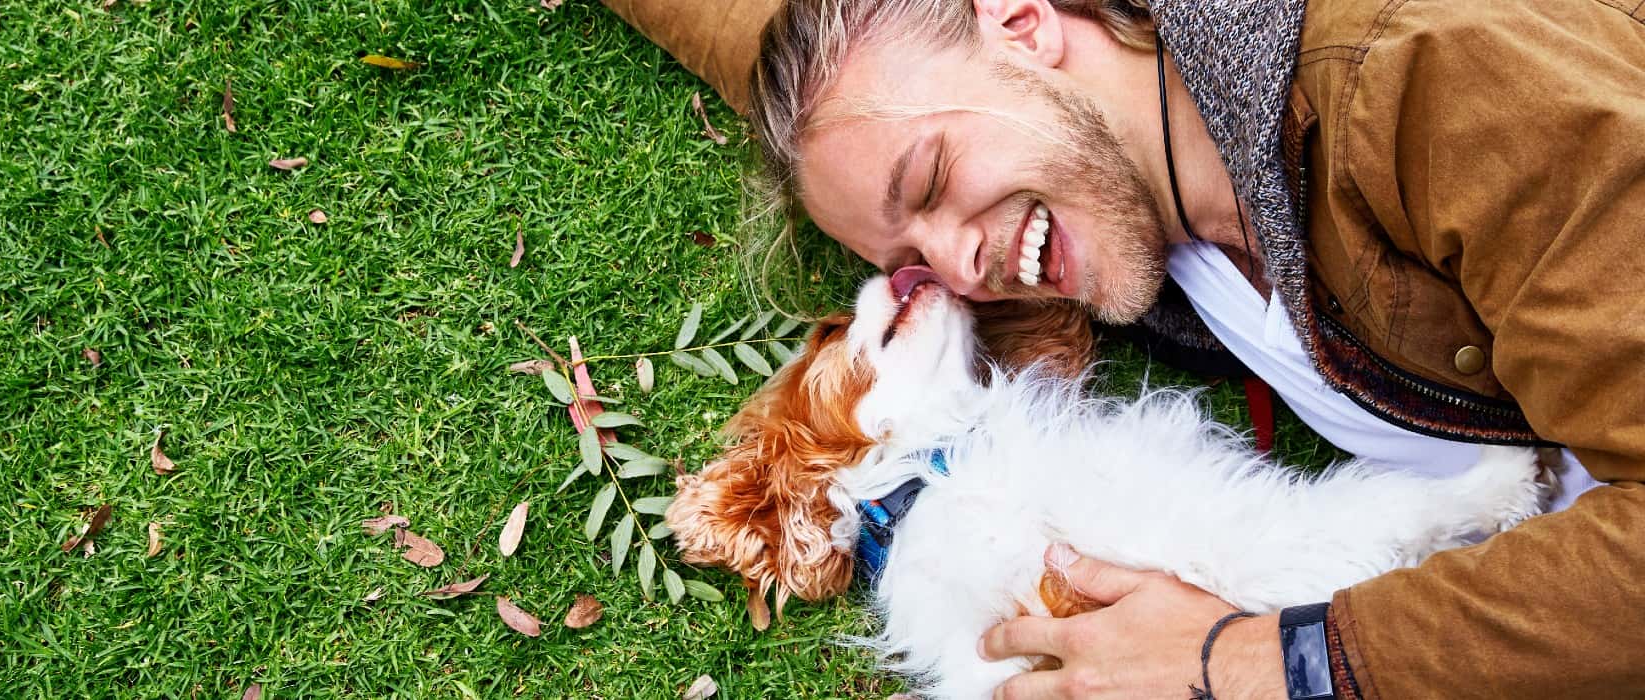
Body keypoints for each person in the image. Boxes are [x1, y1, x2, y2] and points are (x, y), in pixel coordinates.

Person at [604, 0, 1645, 697]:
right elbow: (773, 46)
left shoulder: (1433, 81)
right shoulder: (1109, 200)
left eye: (928, 184)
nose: (961, 268)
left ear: (1023, 21)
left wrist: (1251, 664)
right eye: (910, 254)